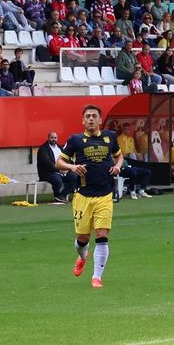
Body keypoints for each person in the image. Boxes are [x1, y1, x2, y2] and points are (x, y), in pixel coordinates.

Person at [54, 104, 122, 289]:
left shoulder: (110, 137)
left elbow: (119, 156)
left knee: (102, 234)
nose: (91, 119)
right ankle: (82, 257)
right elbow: (59, 162)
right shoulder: (75, 140)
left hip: (105, 194)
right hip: (83, 196)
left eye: (94, 116)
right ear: (83, 121)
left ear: (100, 120)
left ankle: (96, 277)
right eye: (88, 116)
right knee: (83, 238)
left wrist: (117, 166)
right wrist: (72, 167)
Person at [36, 131, 74, 202]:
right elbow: (47, 163)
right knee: (57, 180)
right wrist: (59, 170)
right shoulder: (43, 149)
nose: (54, 139)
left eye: (55, 138)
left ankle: (62, 195)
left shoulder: (60, 148)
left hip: (61, 171)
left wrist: (71, 167)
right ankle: (57, 195)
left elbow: (67, 159)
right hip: (47, 173)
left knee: (74, 177)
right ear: (48, 138)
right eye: (52, 138)